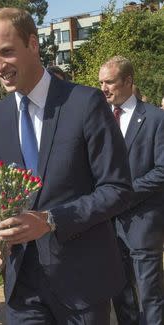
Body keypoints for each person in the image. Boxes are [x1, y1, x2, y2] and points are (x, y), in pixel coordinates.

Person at [0, 8, 132, 324]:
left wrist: (51, 220)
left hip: (81, 282)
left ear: (33, 45)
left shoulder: (85, 103)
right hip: (22, 287)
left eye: (6, 52)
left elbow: (116, 189)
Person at [99, 56, 164, 325]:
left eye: (110, 82)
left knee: (150, 296)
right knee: (120, 295)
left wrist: (124, 193)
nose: (103, 88)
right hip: (107, 225)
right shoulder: (98, 119)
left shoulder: (155, 118)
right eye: (101, 82)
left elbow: (162, 170)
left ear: (128, 81)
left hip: (143, 223)